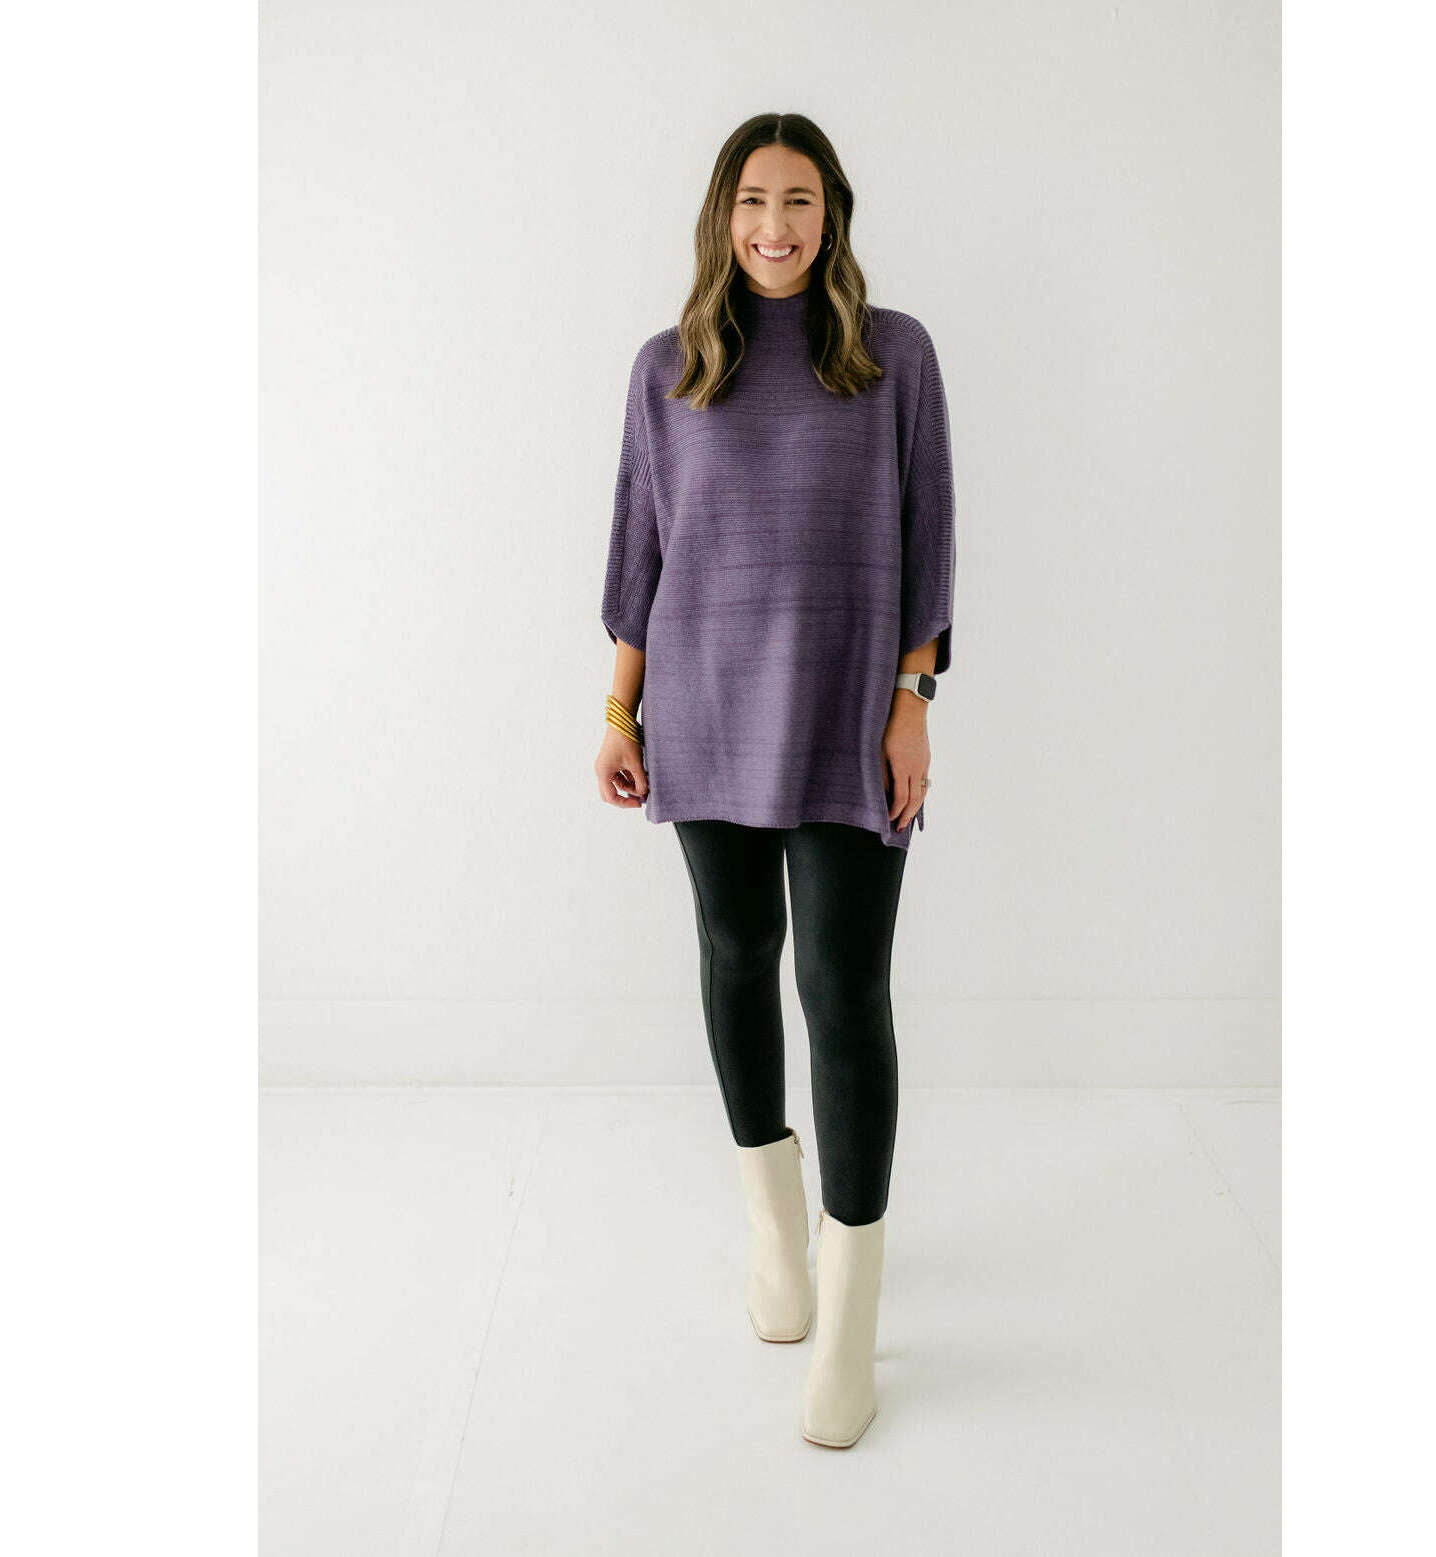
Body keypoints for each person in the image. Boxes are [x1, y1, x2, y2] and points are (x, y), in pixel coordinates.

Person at [593, 112, 956, 1449]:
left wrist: (913, 701)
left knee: (843, 989)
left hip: (850, 714)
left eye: (799, 200)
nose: (775, 226)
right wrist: (619, 707)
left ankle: (850, 1315)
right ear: (722, 214)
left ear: (831, 214)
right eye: (753, 200)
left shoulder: (894, 356)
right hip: (701, 704)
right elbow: (643, 551)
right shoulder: (670, 366)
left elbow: (929, 538)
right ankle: (774, 1234)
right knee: (738, 954)